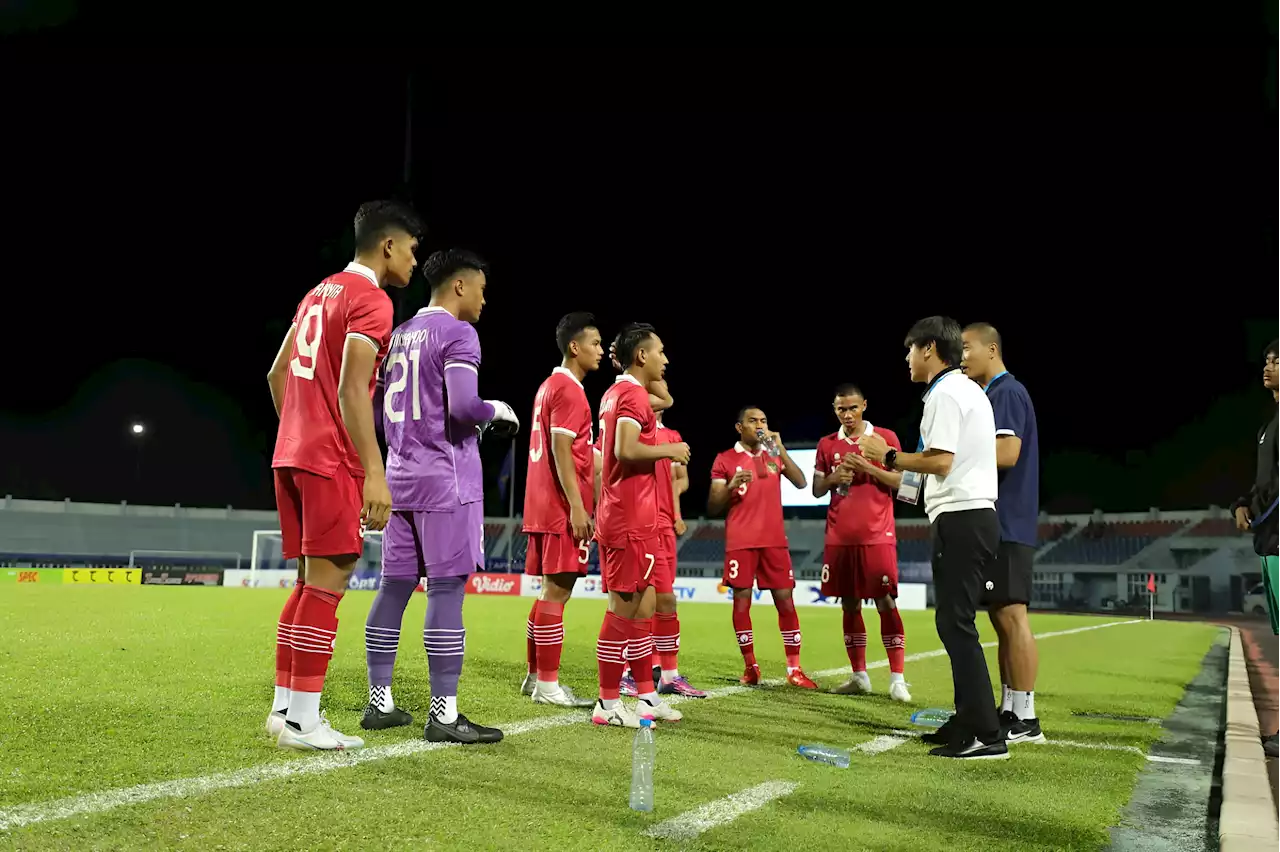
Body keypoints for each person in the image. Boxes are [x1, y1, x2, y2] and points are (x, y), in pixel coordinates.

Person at [266, 200, 422, 751]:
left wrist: (300, 429)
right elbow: (354, 389)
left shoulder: (319, 292)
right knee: (330, 581)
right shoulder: (372, 300)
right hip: (329, 459)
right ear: (387, 246)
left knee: (309, 582)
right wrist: (374, 472)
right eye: (410, 248)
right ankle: (304, 722)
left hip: (292, 452)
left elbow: (277, 373)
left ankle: (285, 710)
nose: (412, 258)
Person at [360, 248, 517, 745]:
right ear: (460, 287)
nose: (484, 300)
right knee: (447, 591)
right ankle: (443, 714)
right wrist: (499, 410)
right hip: (446, 481)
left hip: (400, 478)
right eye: (482, 290)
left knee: (393, 589)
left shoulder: (400, 334)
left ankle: (379, 702)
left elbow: (383, 408)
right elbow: (464, 408)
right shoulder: (458, 332)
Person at [859, 315, 1006, 760]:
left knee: (956, 624)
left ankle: (986, 733)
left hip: (963, 517)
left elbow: (939, 462)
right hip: (965, 515)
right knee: (954, 622)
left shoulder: (946, 392)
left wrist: (887, 453)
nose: (906, 359)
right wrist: (876, 469)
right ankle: (969, 721)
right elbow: (922, 481)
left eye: (909, 350)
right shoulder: (961, 390)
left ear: (927, 349)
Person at [592, 323, 689, 728]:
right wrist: (671, 448)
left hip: (639, 518)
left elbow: (664, 396)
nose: (666, 359)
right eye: (660, 352)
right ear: (642, 356)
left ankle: (646, 697)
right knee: (623, 609)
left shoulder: (625, 391)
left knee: (645, 606)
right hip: (628, 518)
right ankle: (607, 703)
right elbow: (625, 449)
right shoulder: (630, 395)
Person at [962, 323, 1045, 745]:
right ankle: (1011, 706)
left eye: (967, 348)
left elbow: (1007, 453)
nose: (962, 356)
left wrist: (955, 458)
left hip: (1009, 521)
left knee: (1013, 616)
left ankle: (1028, 718)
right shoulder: (990, 394)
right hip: (1001, 522)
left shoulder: (1006, 392)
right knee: (1000, 617)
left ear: (991, 348)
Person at [518, 312, 603, 708]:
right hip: (559, 506)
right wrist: (576, 506)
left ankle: (536, 676)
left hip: (541, 503)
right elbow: (561, 449)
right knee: (558, 590)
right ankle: (549, 685)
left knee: (549, 591)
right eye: (596, 344)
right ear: (575, 347)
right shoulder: (569, 390)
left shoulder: (548, 386)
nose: (601, 351)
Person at [812, 383, 910, 701]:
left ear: (864, 405)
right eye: (841, 409)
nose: (848, 414)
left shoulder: (885, 439)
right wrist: (833, 478)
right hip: (839, 537)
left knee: (885, 602)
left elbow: (905, 484)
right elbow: (815, 489)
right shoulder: (827, 445)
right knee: (849, 604)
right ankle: (859, 676)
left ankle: (897, 679)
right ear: (835, 409)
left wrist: (869, 467)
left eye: (853, 408)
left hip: (877, 535)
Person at [709, 407, 817, 689]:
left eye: (764, 420)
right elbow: (712, 506)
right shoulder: (725, 459)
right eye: (753, 420)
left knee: (785, 599)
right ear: (739, 427)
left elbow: (801, 481)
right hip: (741, 542)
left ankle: (794, 668)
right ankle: (750, 667)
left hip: (774, 541)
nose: (759, 425)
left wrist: (780, 448)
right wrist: (731, 486)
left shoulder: (773, 456)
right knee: (741, 601)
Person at [620, 383, 708, 699]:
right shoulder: (629, 427)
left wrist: (675, 511)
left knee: (667, 600)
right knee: (638, 602)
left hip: (663, 526)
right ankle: (630, 672)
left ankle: (668, 675)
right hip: (638, 525)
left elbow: (678, 479)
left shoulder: (672, 436)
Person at [1234, 340, 1280, 754]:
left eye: (1277, 360)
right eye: (1266, 359)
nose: (1268, 366)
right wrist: (1244, 503)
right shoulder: (1269, 425)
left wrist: (1263, 514)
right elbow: (1264, 484)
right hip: (1269, 541)